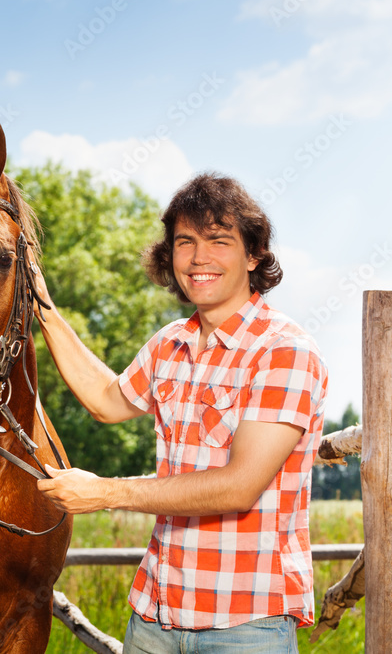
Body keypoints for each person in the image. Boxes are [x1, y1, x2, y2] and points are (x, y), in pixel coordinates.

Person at [32, 173, 328, 652]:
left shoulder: (284, 351)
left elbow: (238, 485)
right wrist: (43, 309)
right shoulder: (171, 343)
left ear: (253, 255)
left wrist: (105, 492)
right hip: (155, 614)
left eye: (218, 240)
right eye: (184, 241)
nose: (198, 257)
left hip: (245, 624)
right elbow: (108, 400)